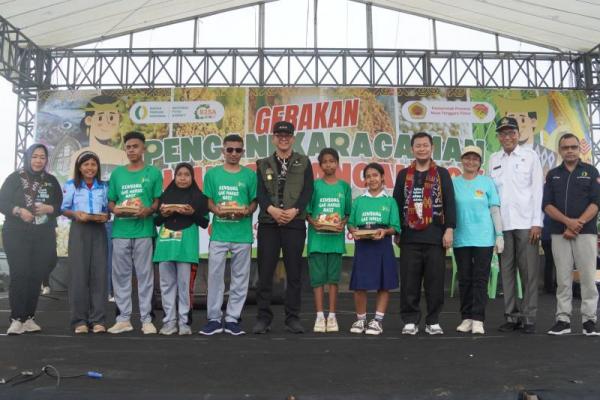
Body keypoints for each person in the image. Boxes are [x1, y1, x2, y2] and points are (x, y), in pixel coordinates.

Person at [253, 121, 314, 334]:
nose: (283, 138)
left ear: (293, 138)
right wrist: (271, 209)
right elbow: (259, 193)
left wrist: (295, 210)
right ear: (273, 138)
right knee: (266, 272)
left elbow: (308, 191)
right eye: (279, 135)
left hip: (294, 223)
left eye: (287, 135)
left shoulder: (304, 162)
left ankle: (293, 318)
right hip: (269, 224)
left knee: (294, 273)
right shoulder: (263, 163)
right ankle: (263, 319)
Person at [393, 131, 456, 336]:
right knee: (409, 281)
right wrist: (396, 229)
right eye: (418, 145)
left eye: (425, 145)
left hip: (435, 235)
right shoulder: (404, 174)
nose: (422, 148)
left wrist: (449, 229)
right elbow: (396, 204)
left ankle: (433, 320)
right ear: (412, 149)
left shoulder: (442, 174)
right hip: (409, 237)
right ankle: (410, 320)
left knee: (435, 281)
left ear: (432, 148)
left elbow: (450, 203)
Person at [0, 144, 63, 335]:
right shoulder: (15, 178)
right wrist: (19, 211)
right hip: (16, 231)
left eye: (42, 157)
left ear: (46, 160)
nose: (38, 161)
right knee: (20, 273)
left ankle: (29, 317)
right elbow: (2, 202)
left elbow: (60, 205)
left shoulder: (51, 181)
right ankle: (17, 318)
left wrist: (49, 209)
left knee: (37, 274)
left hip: (43, 232)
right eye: (35, 157)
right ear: (28, 158)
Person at [488, 116, 543, 334]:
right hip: (503, 226)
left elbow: (538, 190)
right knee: (507, 272)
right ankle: (511, 316)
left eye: (511, 132)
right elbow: (492, 195)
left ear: (518, 135)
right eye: (503, 133)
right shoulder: (493, 159)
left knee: (528, 272)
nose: (507, 137)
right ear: (499, 137)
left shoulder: (530, 156)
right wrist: (495, 229)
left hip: (526, 223)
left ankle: (528, 317)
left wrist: (537, 223)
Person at [542, 133, 600, 336]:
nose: (569, 150)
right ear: (560, 150)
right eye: (565, 147)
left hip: (586, 233)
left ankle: (589, 321)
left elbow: (596, 203)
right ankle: (563, 320)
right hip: (559, 233)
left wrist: (577, 224)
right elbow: (547, 205)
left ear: (579, 149)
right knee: (563, 279)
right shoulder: (553, 174)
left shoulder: (591, 172)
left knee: (587, 278)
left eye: (573, 147)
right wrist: (568, 223)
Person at [200, 134, 257, 336]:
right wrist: (217, 210)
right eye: (230, 149)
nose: (234, 153)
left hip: (242, 234)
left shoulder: (250, 176)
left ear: (243, 152)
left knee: (240, 279)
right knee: (215, 277)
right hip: (220, 233)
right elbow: (207, 201)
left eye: (238, 150)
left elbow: (253, 202)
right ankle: (214, 319)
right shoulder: (212, 174)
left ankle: (233, 318)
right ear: (223, 151)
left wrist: (247, 211)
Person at [107, 131, 163, 335]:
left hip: (144, 230)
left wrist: (148, 210)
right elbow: (111, 201)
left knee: (145, 276)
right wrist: (116, 210)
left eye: (135, 146)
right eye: (128, 147)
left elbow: (157, 201)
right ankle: (123, 319)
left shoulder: (154, 173)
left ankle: (147, 319)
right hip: (120, 230)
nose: (132, 150)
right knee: (120, 276)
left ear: (143, 148)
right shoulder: (117, 174)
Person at [452, 146, 504, 335]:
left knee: (480, 279)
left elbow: (494, 209)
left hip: (483, 238)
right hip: (461, 238)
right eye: (467, 158)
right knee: (465, 279)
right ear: (462, 160)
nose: (471, 162)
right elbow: (449, 211)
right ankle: (466, 318)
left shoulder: (487, 182)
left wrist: (499, 235)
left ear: (480, 163)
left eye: (475, 159)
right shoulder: (454, 183)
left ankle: (478, 319)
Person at [153, 163, 208, 336]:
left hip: (186, 245)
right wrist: (165, 213)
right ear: (174, 177)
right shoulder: (165, 195)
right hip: (166, 244)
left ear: (193, 178)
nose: (183, 178)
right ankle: (169, 322)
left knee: (185, 286)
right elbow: (156, 220)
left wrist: (191, 212)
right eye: (179, 175)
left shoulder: (199, 197)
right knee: (166, 285)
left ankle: (184, 322)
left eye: (187, 175)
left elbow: (204, 222)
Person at [347, 163, 400, 336]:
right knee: (359, 285)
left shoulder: (390, 201)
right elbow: (351, 224)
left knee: (383, 285)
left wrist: (385, 231)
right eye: (368, 176)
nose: (372, 179)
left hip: (382, 244)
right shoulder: (358, 201)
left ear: (383, 177)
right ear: (365, 180)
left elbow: (395, 227)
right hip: (363, 246)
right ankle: (361, 319)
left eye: (375, 175)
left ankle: (377, 321)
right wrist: (353, 231)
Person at [61, 151, 110, 334]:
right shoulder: (71, 185)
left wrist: (105, 216)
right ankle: (79, 320)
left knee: (99, 274)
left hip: (98, 230)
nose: (90, 168)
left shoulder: (104, 186)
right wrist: (76, 214)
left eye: (93, 164)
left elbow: (106, 210)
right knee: (79, 274)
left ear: (98, 167)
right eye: (86, 164)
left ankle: (98, 320)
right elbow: (64, 209)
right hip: (79, 229)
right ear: (79, 167)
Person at [306, 148, 351, 333]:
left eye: (332, 161)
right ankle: (319, 315)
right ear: (320, 165)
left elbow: (347, 213)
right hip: (317, 241)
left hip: (335, 241)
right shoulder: (314, 186)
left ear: (337, 163)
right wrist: (313, 222)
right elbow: (307, 212)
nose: (328, 164)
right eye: (325, 161)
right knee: (317, 280)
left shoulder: (344, 187)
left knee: (333, 280)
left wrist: (342, 223)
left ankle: (332, 315)